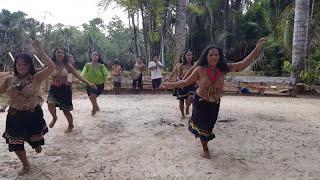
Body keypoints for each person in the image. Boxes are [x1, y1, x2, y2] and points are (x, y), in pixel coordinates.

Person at [161, 38, 266, 159]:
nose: (214, 57)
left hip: (215, 104)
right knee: (203, 128)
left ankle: (204, 141)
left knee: (209, 127)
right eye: (211, 55)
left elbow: (243, 64)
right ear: (206, 56)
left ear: (219, 56)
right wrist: (169, 84)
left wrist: (257, 49)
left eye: (216, 55)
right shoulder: (200, 69)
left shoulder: (224, 68)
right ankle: (205, 149)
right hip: (200, 102)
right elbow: (185, 82)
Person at [0, 40, 56, 175]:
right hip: (14, 116)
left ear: (30, 65)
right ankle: (25, 164)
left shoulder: (36, 77)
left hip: (33, 115)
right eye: (18, 63)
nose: (21, 66)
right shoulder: (9, 80)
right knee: (15, 143)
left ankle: (35, 144)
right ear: (15, 65)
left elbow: (51, 67)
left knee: (35, 139)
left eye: (25, 63)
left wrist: (41, 52)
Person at [47, 48, 96, 133]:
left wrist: (89, 83)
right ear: (55, 54)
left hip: (65, 89)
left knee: (66, 110)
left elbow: (78, 76)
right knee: (50, 103)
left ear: (64, 55)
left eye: (62, 53)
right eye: (58, 52)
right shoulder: (51, 64)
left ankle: (70, 125)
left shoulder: (68, 65)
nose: (60, 54)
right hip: (54, 88)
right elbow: (40, 71)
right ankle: (54, 118)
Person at [175, 50, 196, 119]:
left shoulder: (195, 65)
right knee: (181, 100)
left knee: (192, 97)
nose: (189, 56)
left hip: (191, 85)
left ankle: (187, 107)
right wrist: (180, 83)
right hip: (182, 84)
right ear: (185, 56)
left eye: (191, 55)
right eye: (188, 55)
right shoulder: (181, 65)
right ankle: (182, 114)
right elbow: (178, 76)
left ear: (193, 56)